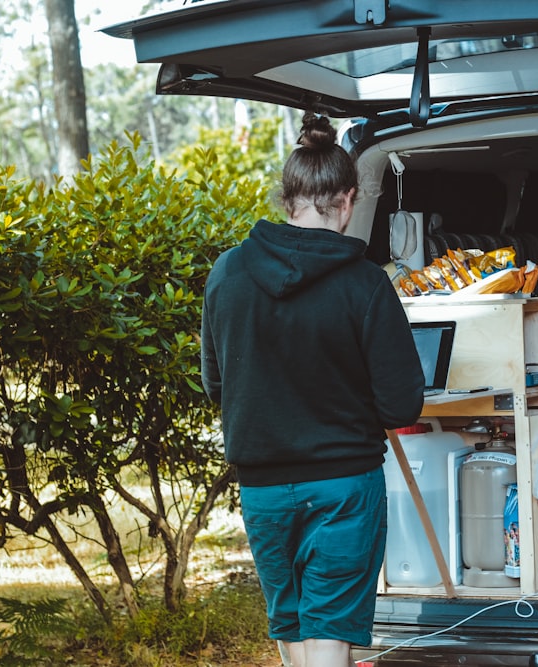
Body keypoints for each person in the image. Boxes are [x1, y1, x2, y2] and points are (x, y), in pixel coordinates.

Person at [200, 113, 425, 667]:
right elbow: (401, 405)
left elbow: (215, 384)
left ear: (287, 198)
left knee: (294, 623)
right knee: (328, 628)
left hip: (263, 489)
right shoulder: (365, 283)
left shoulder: (227, 274)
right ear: (347, 201)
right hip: (344, 486)